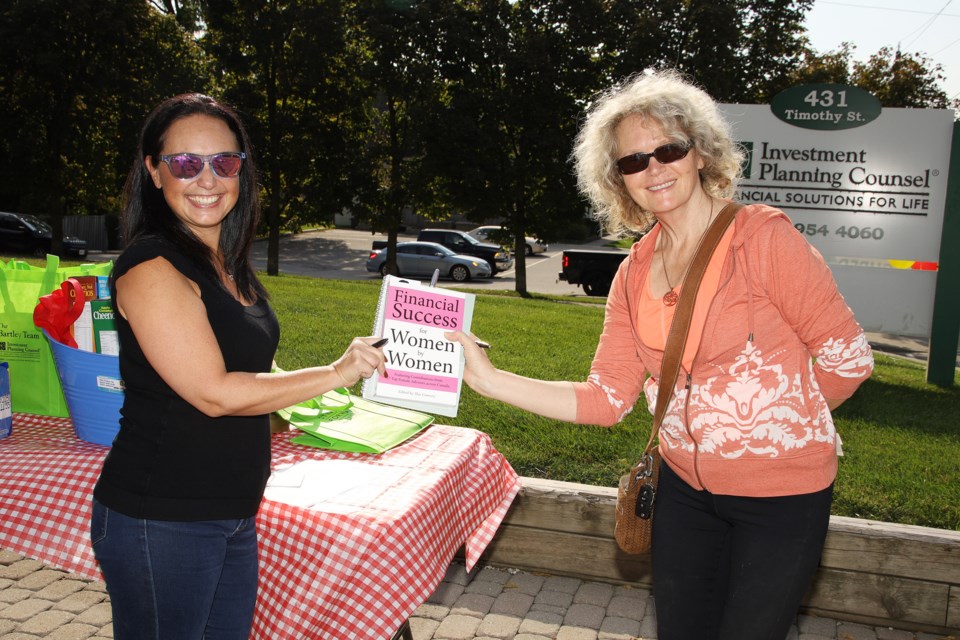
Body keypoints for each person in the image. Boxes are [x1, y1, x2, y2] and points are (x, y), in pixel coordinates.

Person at [447, 69, 874, 640]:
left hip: (781, 496)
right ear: (618, 181)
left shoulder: (763, 239)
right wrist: (491, 380)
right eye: (632, 161)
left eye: (668, 149)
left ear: (700, 153)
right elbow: (606, 398)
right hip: (681, 492)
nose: (653, 168)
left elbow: (848, 358)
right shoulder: (632, 272)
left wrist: (777, 426)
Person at [90, 93, 386, 640]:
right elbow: (213, 393)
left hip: (231, 510)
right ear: (155, 172)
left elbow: (250, 370)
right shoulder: (151, 265)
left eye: (224, 162)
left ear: (242, 172)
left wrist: (293, 408)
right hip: (163, 516)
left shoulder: (225, 263)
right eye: (185, 163)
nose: (207, 178)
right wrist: (339, 372)